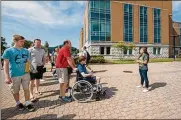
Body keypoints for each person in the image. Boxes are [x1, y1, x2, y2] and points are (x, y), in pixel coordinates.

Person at [2, 34, 35, 111]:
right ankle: (18, 103)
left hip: (25, 74)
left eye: (23, 41)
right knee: (15, 90)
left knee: (26, 89)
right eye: (21, 41)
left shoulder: (26, 51)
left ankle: (27, 103)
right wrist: (6, 76)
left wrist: (29, 70)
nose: (23, 43)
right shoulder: (8, 51)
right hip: (14, 75)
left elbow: (27, 61)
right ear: (15, 41)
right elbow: (5, 64)